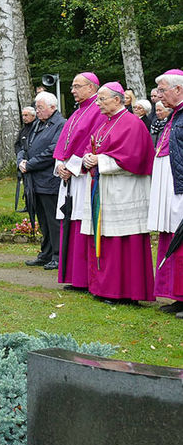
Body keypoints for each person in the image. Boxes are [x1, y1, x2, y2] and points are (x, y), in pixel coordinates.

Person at [78, 82, 154, 302]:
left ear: (117, 100)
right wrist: (87, 158)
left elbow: (133, 156)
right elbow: (91, 147)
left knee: (122, 241)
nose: (98, 104)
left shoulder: (132, 123)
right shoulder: (104, 123)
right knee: (104, 237)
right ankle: (103, 288)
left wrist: (99, 160)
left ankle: (124, 292)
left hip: (124, 189)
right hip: (103, 188)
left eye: (102, 99)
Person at [52, 72, 102, 290]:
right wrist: (59, 165)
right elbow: (63, 145)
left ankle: (83, 278)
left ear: (91, 88)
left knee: (82, 223)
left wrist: (72, 168)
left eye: (76, 86)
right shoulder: (76, 112)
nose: (72, 90)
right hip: (68, 177)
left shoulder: (97, 111)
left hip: (82, 177)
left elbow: (92, 145)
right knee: (69, 222)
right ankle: (72, 276)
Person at [148, 71, 183, 314]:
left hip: (179, 187)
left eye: (162, 90)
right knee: (172, 237)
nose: (159, 96)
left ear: (178, 90)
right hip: (170, 187)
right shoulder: (175, 116)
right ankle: (176, 295)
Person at [17, 92, 65, 271]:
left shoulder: (60, 124)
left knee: (53, 220)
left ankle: (57, 255)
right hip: (34, 180)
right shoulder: (37, 124)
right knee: (42, 220)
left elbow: (53, 150)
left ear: (53, 107)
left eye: (40, 108)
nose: (37, 111)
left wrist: (30, 164)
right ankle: (45, 253)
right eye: (36, 108)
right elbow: (24, 144)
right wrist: (21, 160)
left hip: (49, 179)